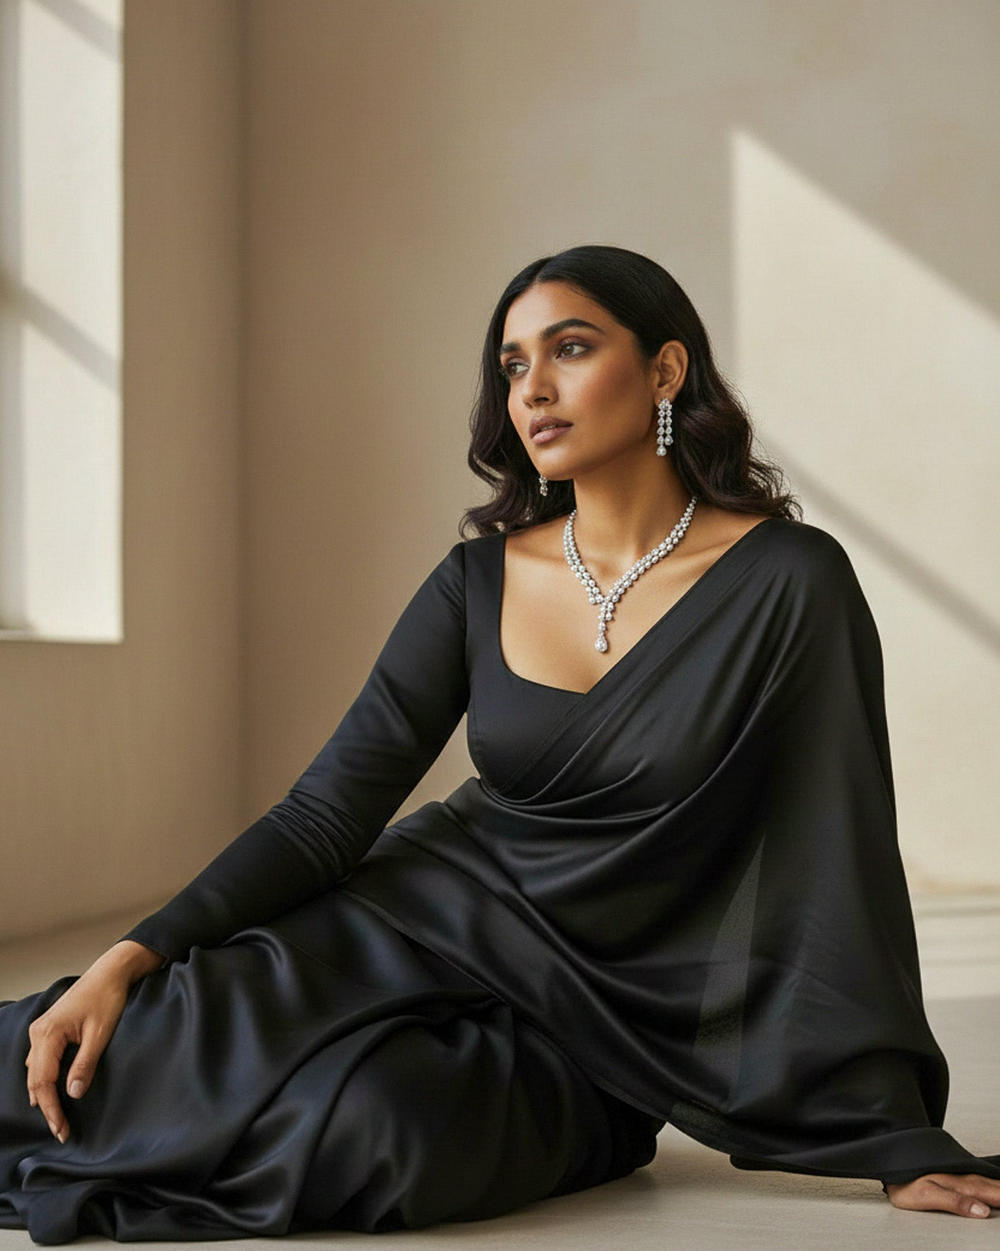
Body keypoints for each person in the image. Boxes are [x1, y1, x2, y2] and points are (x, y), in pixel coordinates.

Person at [2, 244, 998, 1243]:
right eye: (514, 365)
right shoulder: (475, 581)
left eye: (570, 348)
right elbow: (326, 811)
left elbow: (837, 847)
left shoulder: (790, 581)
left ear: (664, 369)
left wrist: (891, 1133)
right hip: (401, 927)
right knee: (95, 1049)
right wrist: (133, 954)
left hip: (599, 1030)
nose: (533, 389)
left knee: (374, 1136)